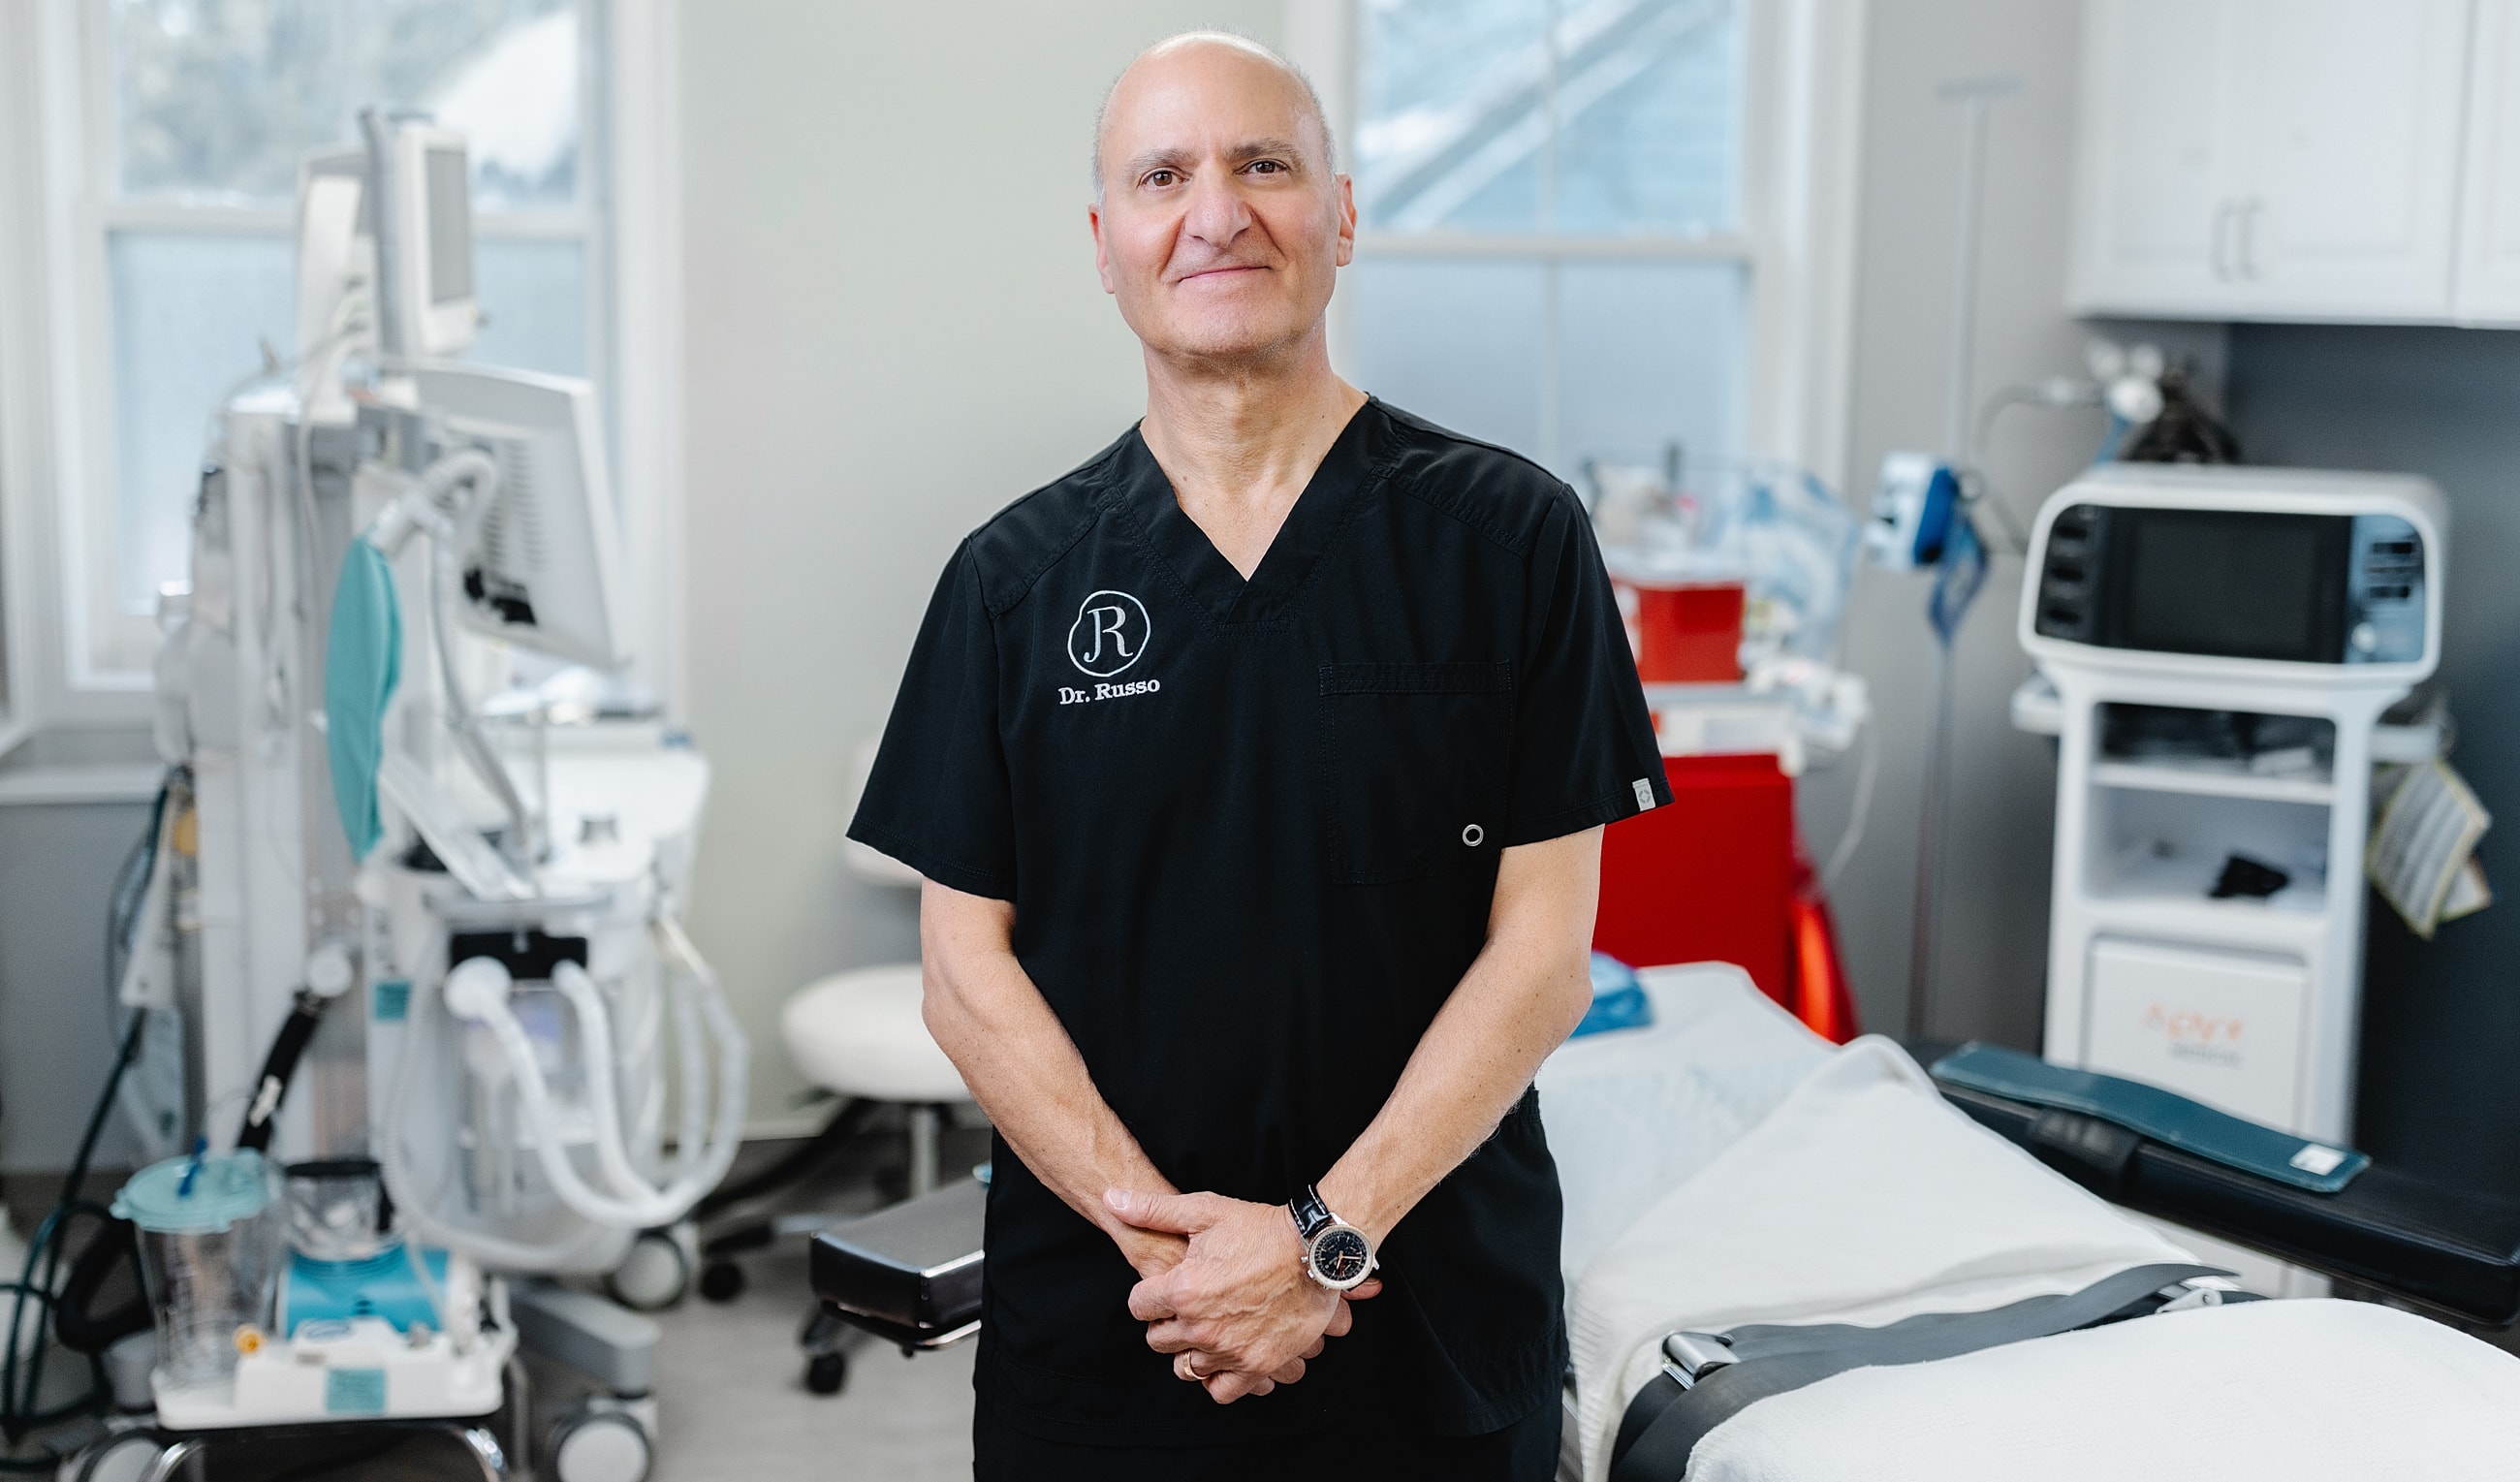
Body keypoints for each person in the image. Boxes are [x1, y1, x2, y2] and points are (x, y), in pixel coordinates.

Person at [848, 29, 1665, 1481]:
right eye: (1163, 175)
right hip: (1117, 1330)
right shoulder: (1011, 583)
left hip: (1425, 1326)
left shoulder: (1514, 542)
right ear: (1106, 245)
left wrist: (1316, 1243)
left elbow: (1543, 961)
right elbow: (967, 977)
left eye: (1264, 164)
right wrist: (1182, 1256)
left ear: (1341, 216)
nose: (1216, 211)